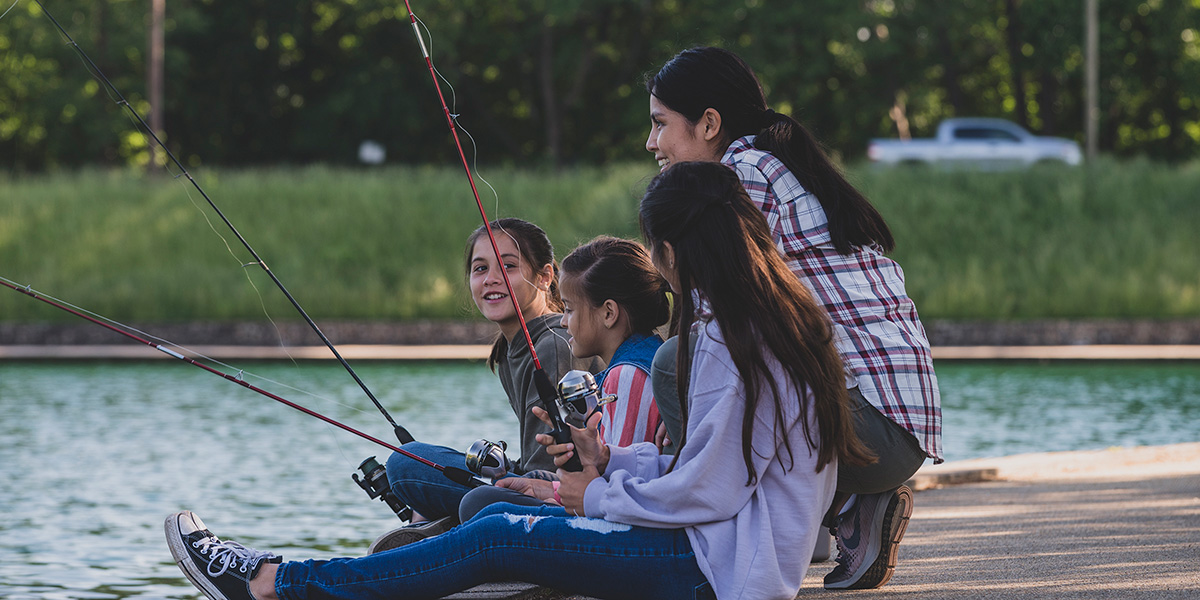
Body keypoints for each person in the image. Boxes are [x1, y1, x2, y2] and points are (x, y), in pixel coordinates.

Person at [164, 161, 873, 600]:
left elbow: (710, 489)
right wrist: (614, 463)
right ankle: (332, 577)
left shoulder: (731, 341)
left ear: (671, 249)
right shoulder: (771, 323)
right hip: (719, 553)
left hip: (715, 573)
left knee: (494, 540)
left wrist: (595, 492)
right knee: (501, 518)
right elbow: (718, 470)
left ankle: (273, 582)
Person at [644, 46, 942, 590]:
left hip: (865, 424)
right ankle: (848, 513)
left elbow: (713, 329)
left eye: (660, 125)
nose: (652, 144)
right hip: (899, 423)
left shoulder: (740, 175)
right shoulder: (782, 163)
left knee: (673, 366)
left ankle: (729, 531)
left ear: (708, 123)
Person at [370, 218, 602, 552]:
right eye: (480, 269)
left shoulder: (551, 345)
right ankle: (446, 524)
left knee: (412, 471)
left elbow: (549, 470)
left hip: (558, 499)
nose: (491, 279)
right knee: (411, 460)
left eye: (508, 266)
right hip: (535, 483)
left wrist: (496, 484)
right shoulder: (510, 349)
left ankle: (444, 530)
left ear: (545, 276)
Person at [456, 235, 670, 521]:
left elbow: (622, 490)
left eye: (569, 309)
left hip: (614, 530)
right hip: (599, 502)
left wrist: (556, 495)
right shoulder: (629, 364)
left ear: (609, 313)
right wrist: (554, 487)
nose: (564, 320)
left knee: (480, 502)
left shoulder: (628, 374)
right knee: (499, 492)